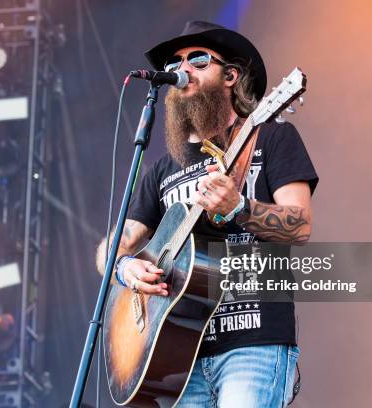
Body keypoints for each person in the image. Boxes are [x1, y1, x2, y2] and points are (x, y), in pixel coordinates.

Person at [96, 21, 318, 407]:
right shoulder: (163, 170)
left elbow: (299, 226)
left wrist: (239, 207)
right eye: (176, 61)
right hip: (178, 351)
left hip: (254, 340)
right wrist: (125, 269)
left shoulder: (271, 137)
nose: (183, 68)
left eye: (198, 60)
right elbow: (112, 248)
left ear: (230, 76)